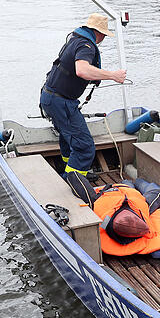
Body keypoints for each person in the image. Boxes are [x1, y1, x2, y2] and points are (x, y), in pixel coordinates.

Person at [40, 13, 127, 205]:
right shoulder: (86, 46)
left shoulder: (76, 40)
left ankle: (69, 173)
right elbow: (82, 70)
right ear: (99, 33)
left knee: (67, 137)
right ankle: (75, 183)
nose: (104, 39)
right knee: (85, 146)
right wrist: (113, 75)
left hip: (51, 97)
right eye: (104, 35)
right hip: (61, 102)